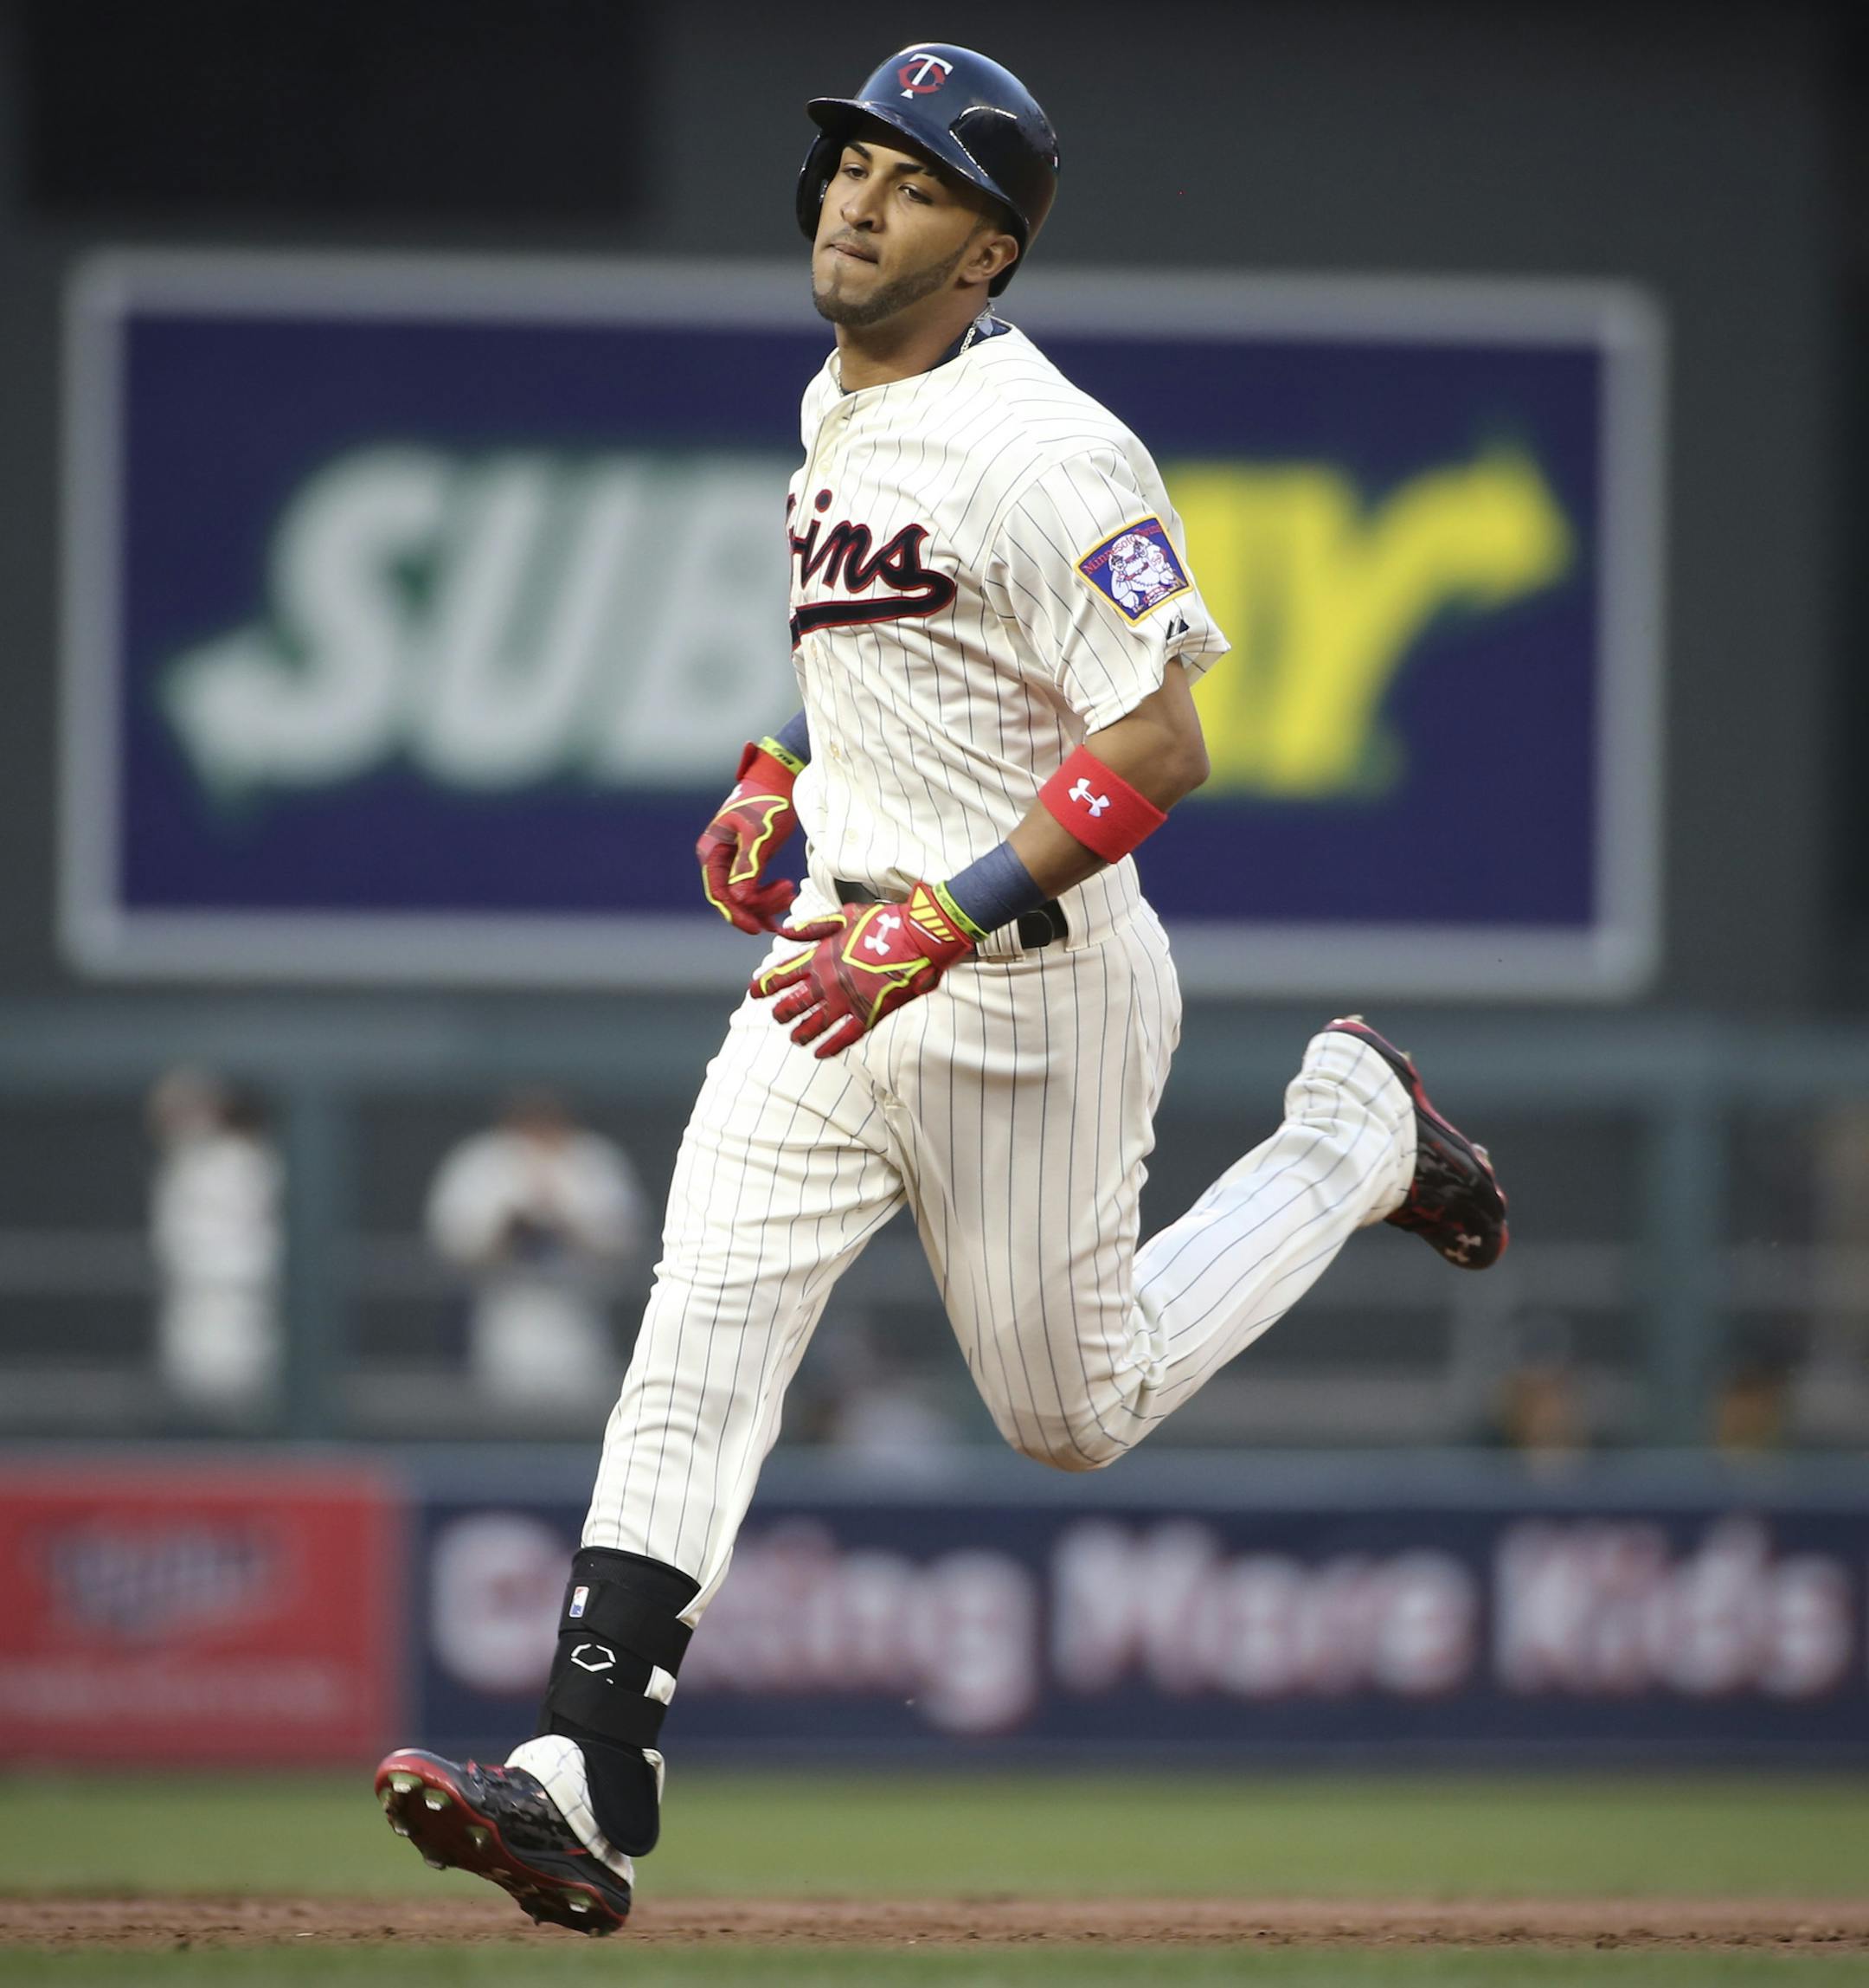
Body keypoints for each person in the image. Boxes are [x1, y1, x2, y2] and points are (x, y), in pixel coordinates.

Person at [375, 42, 1508, 1934]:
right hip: (838, 967)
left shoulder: (1054, 447)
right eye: (846, 160)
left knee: (1074, 1409)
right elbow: (912, 677)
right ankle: (584, 1762)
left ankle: (1353, 1132)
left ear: (988, 253)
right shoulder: (836, 406)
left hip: (1025, 991)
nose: (854, 195)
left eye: (908, 179)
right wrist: (778, 775)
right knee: (701, 1317)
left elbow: (1157, 743)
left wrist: (951, 916)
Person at [426, 1091, 645, 1412]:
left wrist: (565, 1224)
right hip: (506, 1312)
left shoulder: (593, 1158)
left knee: (584, 1417)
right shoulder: (482, 1159)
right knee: (502, 1420)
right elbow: (453, 1245)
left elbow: (623, 1242)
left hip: (579, 1315)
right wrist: (509, 1230)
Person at [147, 1069, 283, 1419]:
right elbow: (174, 1249)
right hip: (196, 1324)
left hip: (255, 1325)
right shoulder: (188, 1168)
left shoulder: (253, 1164)